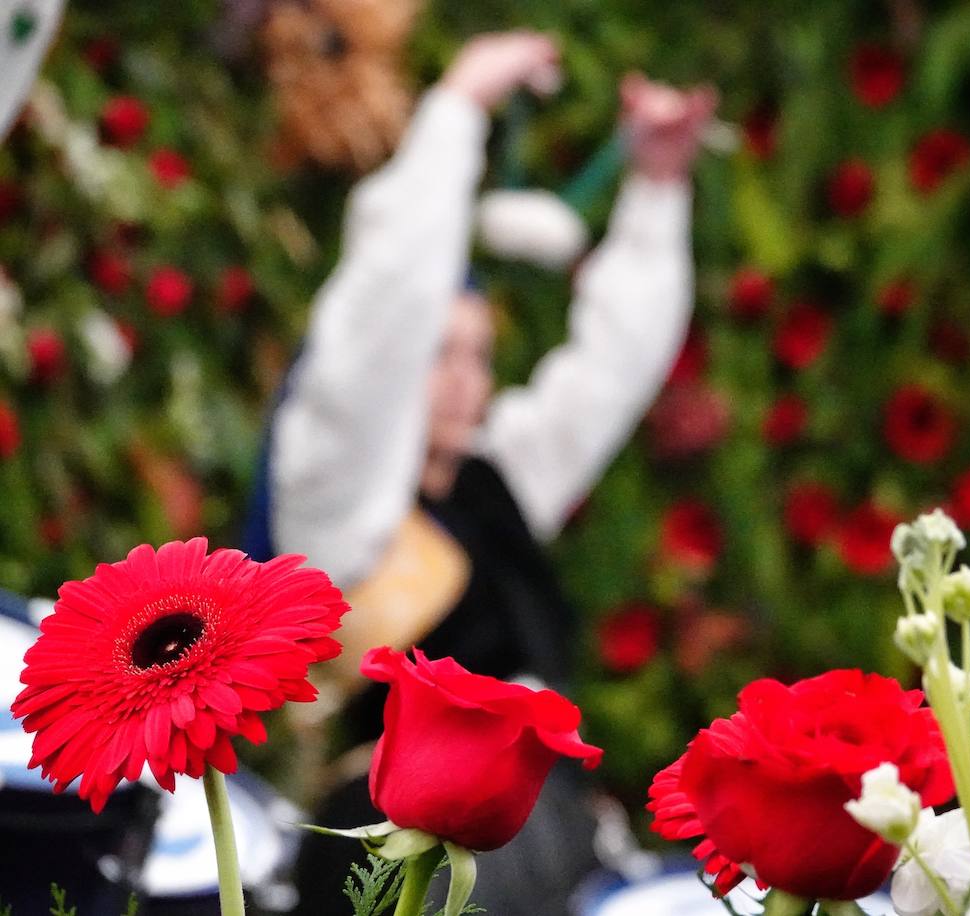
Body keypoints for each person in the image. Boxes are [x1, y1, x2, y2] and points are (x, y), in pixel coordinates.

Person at [246, 30, 717, 915]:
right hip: (395, 860)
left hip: (545, 839)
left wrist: (656, 186)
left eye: (480, 354)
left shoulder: (495, 477)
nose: (466, 377)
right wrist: (458, 108)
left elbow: (612, 366)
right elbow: (383, 305)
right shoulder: (335, 505)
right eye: (440, 352)